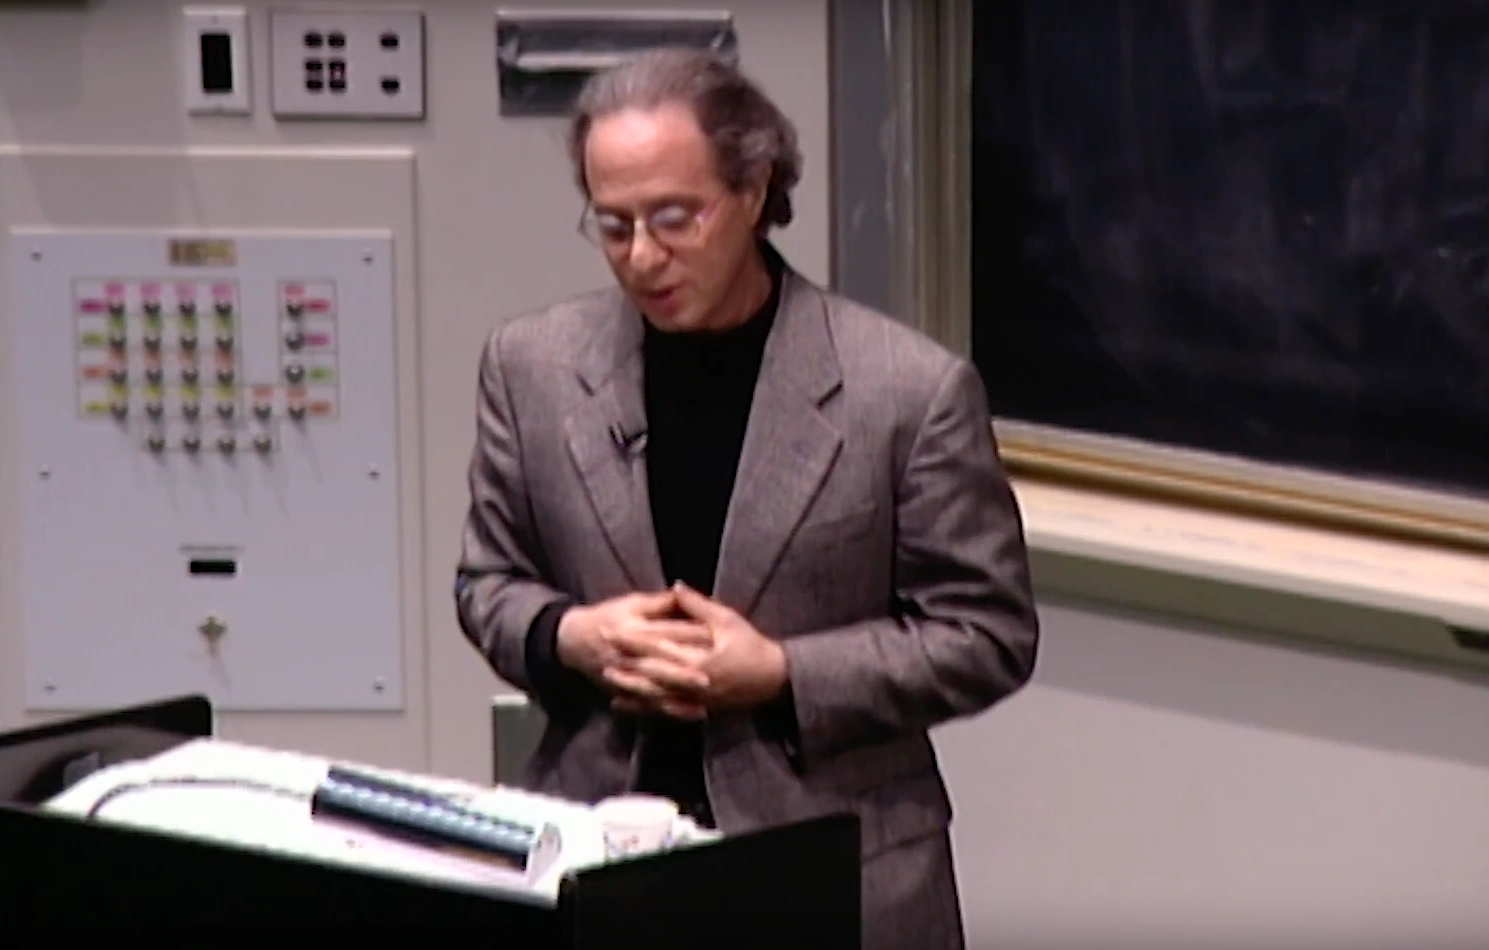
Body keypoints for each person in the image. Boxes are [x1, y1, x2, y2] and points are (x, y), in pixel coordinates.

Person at [455, 48, 1039, 950]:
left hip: (833, 873)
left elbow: (987, 634)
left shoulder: (906, 392)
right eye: (612, 227)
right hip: (594, 858)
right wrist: (571, 637)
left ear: (756, 189)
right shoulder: (529, 368)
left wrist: (780, 675)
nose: (643, 258)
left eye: (674, 219)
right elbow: (489, 584)